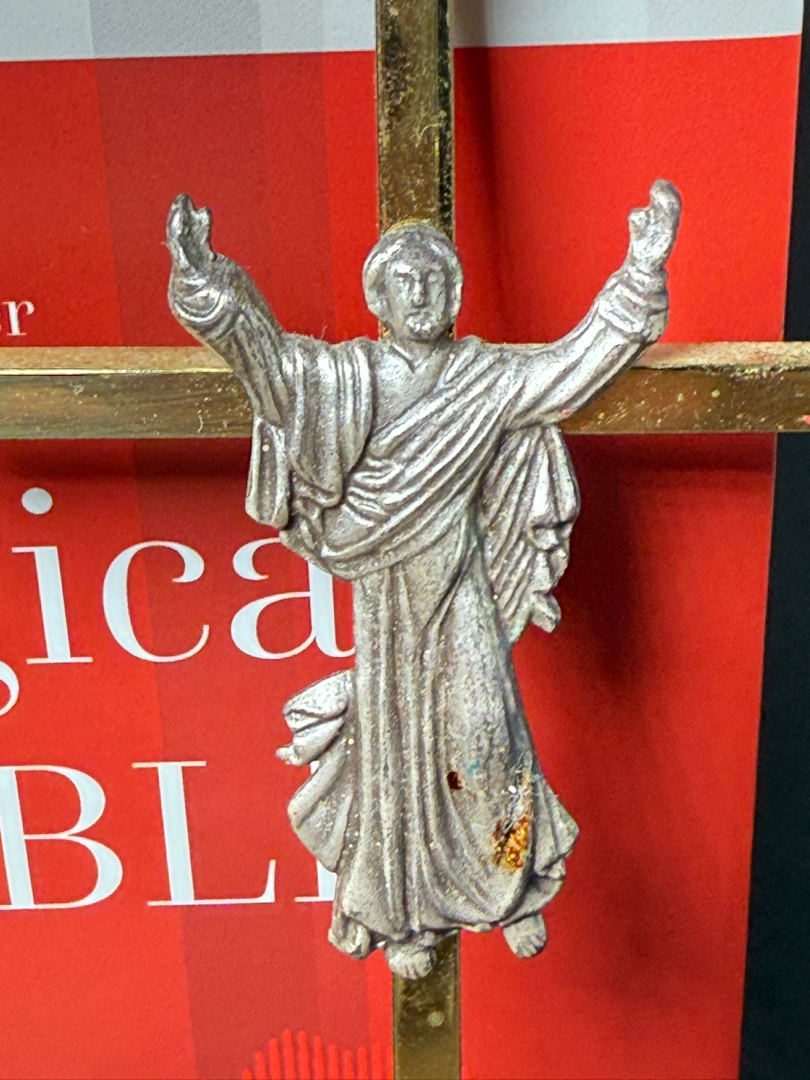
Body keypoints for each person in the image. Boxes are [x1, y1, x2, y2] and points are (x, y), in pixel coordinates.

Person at [167, 180, 681, 979]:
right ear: (378, 298)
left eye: (436, 280)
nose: (420, 293)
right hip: (387, 598)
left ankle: (511, 880)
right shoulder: (346, 380)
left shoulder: (487, 378)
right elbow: (264, 359)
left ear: (456, 292)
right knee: (396, 762)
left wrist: (641, 270)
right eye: (403, 281)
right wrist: (207, 280)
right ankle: (399, 912)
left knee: (492, 746)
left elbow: (574, 367)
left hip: (462, 595)